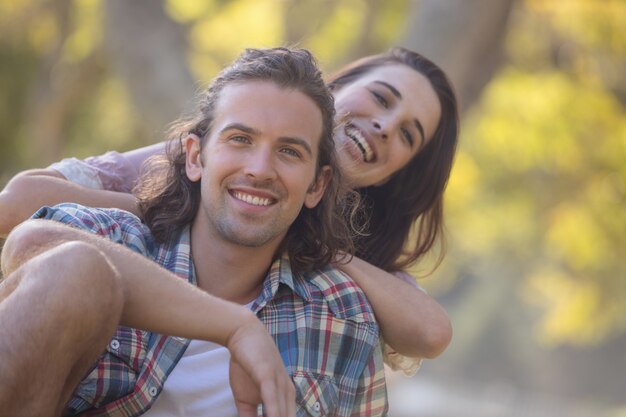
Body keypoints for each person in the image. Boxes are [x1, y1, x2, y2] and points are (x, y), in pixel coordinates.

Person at [0, 47, 457, 374]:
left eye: (408, 135)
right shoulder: (215, 154)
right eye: (381, 98)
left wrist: (306, 239)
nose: (383, 124)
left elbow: (431, 332)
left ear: (400, 173)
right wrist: (196, 208)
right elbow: (17, 206)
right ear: (335, 89)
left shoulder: (357, 267)